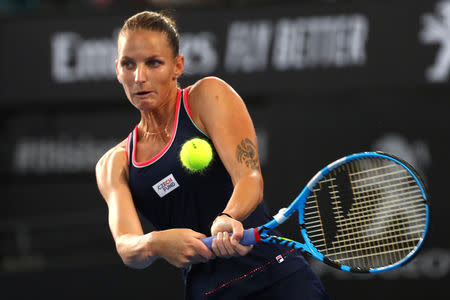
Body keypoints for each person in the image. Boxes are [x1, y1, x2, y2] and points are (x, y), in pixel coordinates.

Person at [95, 10, 330, 300]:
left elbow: (249, 177)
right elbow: (127, 247)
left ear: (177, 66)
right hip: (210, 293)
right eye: (129, 64)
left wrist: (228, 217)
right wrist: (156, 243)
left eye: (153, 63)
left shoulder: (207, 97)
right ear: (118, 69)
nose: (139, 77)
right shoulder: (114, 163)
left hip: (277, 278)